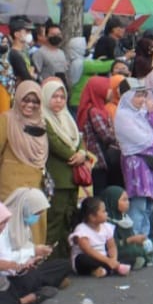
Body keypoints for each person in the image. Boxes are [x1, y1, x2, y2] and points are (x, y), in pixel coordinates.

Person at [0, 191, 71, 304]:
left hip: (16, 273)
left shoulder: (19, 223)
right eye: (36, 213)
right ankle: (29, 297)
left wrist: (31, 259)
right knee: (27, 280)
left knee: (63, 264)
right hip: (11, 277)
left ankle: (36, 288)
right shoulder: (7, 227)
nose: (4, 226)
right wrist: (32, 252)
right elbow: (6, 261)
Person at [42, 78, 88, 259]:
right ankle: (48, 262)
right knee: (54, 220)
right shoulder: (43, 119)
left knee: (68, 220)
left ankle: (63, 261)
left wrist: (83, 153)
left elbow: (80, 140)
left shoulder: (68, 118)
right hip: (57, 180)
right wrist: (75, 155)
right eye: (54, 96)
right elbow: (55, 144)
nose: (59, 101)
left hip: (72, 178)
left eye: (62, 97)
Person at [114, 85, 153, 241]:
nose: (141, 100)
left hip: (150, 164)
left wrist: (152, 114)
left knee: (149, 207)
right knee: (138, 205)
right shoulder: (123, 115)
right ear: (128, 97)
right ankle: (134, 242)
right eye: (137, 96)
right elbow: (139, 139)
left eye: (143, 96)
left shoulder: (142, 114)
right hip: (135, 164)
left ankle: (145, 243)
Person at [0, 80, 48, 245]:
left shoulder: (41, 123)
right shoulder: (7, 120)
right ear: (17, 99)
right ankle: (13, 265)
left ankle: (33, 263)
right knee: (12, 224)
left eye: (35, 101)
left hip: (34, 181)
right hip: (11, 185)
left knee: (35, 222)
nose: (30, 105)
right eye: (25, 100)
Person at [77, 75, 122, 195]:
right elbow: (106, 136)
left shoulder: (96, 109)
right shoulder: (94, 111)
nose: (111, 91)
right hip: (98, 160)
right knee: (100, 193)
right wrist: (120, 137)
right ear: (99, 90)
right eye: (108, 89)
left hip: (95, 159)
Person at [69, 195, 130, 277]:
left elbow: (111, 246)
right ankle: (109, 269)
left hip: (104, 257)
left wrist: (113, 259)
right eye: (103, 211)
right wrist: (108, 261)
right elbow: (88, 250)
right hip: (89, 258)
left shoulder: (106, 227)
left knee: (125, 255)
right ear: (92, 217)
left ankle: (105, 269)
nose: (106, 213)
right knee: (82, 259)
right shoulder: (81, 230)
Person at [102, 185, 152, 268]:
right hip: (114, 251)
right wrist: (130, 240)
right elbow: (110, 246)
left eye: (128, 199)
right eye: (124, 200)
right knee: (134, 251)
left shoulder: (125, 218)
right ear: (113, 201)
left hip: (128, 247)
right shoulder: (106, 222)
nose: (128, 202)